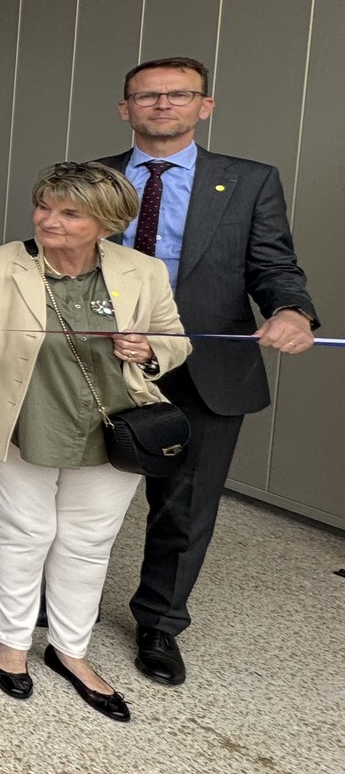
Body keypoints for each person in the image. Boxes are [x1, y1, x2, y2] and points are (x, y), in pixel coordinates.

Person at [93, 57, 319, 687]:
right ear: (125, 108)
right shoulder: (92, 177)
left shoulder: (247, 181)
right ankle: (62, 604)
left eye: (178, 94)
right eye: (147, 96)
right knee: (77, 493)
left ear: (205, 105)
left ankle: (159, 623)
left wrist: (292, 311)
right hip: (99, 360)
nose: (162, 104)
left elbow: (274, 265)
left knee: (183, 507)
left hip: (206, 366)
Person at [0, 162, 190, 722]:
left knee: (87, 542)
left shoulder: (143, 270)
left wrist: (149, 352)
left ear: (106, 223)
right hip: (26, 421)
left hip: (114, 429)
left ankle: (70, 651)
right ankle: (12, 642)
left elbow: (174, 340)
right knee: (25, 534)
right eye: (44, 206)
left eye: (69, 212)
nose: (48, 220)